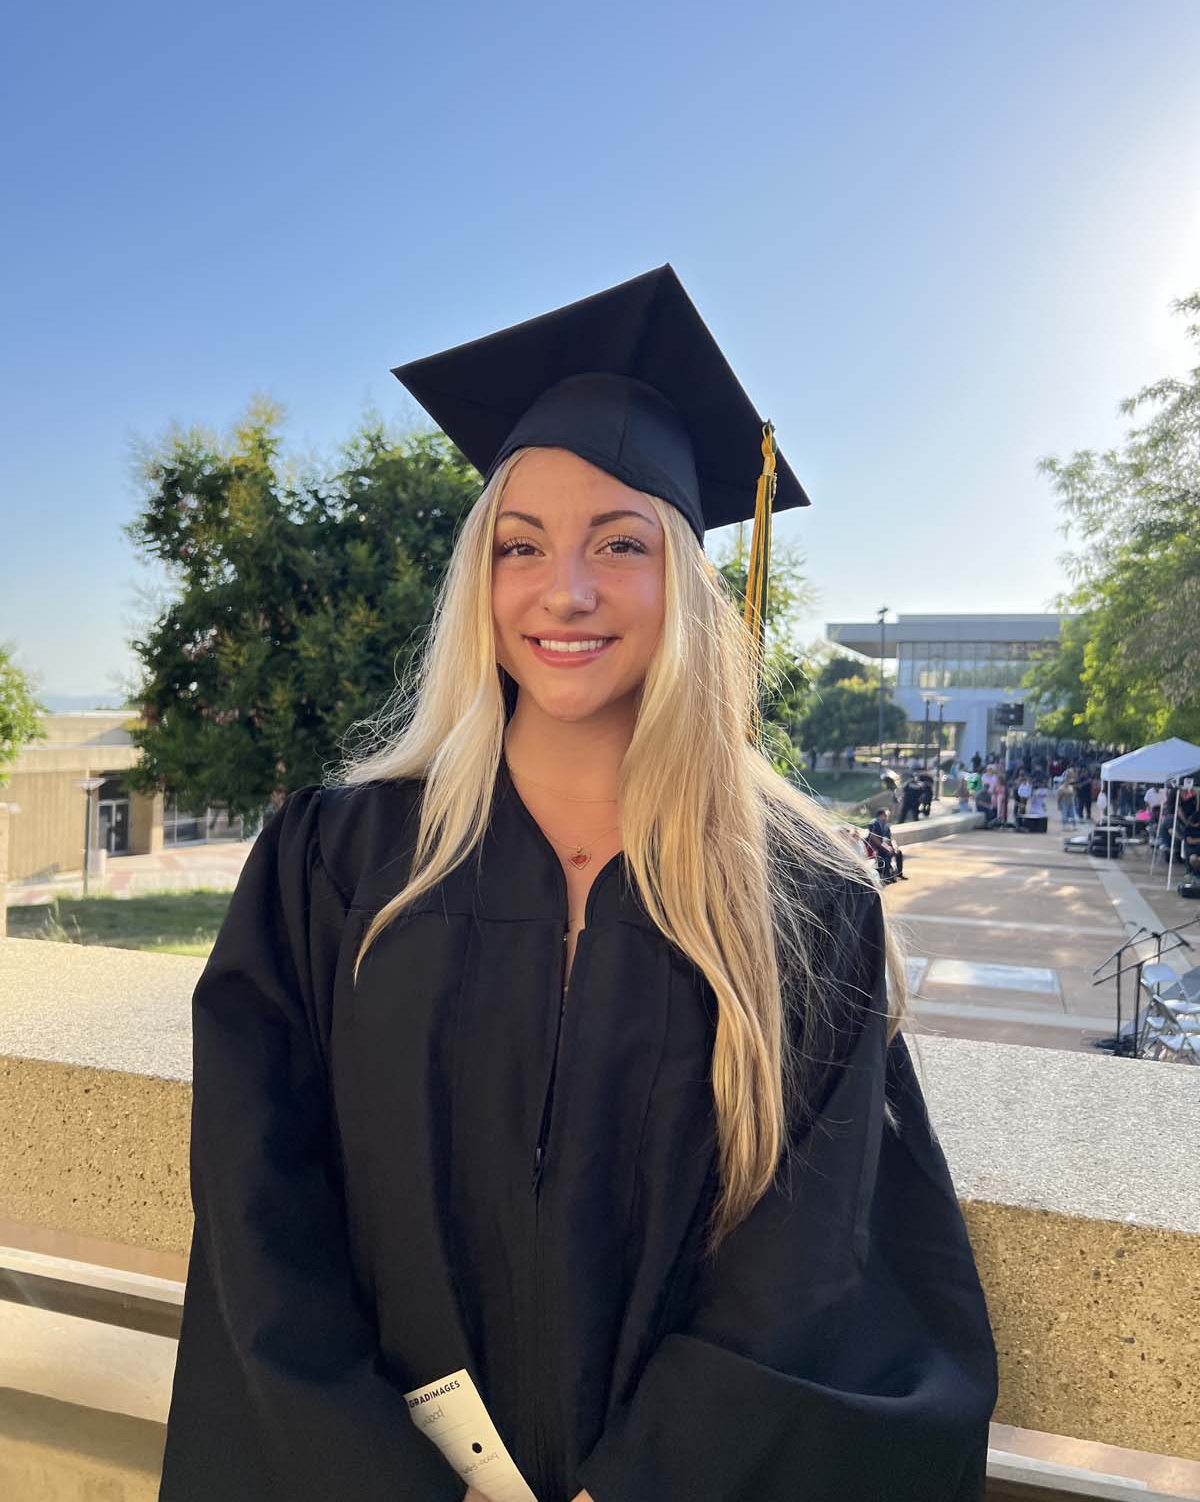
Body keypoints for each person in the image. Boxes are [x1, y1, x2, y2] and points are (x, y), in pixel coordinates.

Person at [158, 265, 997, 1502]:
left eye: (621, 543)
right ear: (478, 582)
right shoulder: (336, 861)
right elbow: (255, 1196)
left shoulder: (800, 905)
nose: (567, 591)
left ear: (691, 587)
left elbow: (814, 1255)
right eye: (522, 545)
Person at [866, 805, 908, 882]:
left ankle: (899, 874)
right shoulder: (873, 824)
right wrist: (887, 847)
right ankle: (888, 877)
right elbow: (875, 839)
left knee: (898, 852)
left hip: (885, 846)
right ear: (881, 815)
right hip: (876, 848)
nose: (887, 817)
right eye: (886, 815)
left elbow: (890, 838)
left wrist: (895, 846)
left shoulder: (886, 825)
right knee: (887, 854)